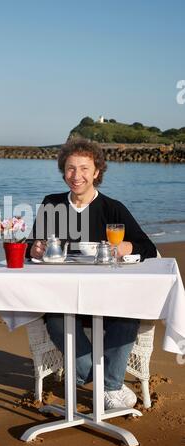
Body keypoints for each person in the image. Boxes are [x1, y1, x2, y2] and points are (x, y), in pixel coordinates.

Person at [27, 139, 157, 410]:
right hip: (63, 297)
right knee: (57, 321)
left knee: (127, 316)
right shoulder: (52, 204)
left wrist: (127, 246)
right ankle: (106, 382)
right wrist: (36, 248)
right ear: (63, 171)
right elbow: (32, 245)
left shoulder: (113, 208)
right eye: (71, 168)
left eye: (84, 169)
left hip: (109, 297)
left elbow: (148, 247)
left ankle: (105, 385)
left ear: (97, 171)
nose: (77, 176)